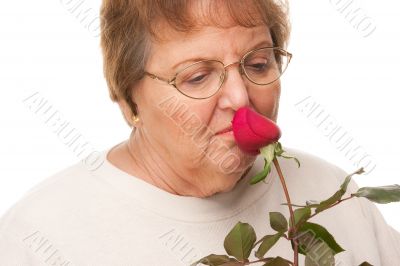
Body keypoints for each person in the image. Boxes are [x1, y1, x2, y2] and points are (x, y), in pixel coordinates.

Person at [0, 0, 399, 265]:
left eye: (258, 64)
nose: (241, 97)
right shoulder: (37, 236)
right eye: (197, 76)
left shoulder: (336, 193)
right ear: (129, 99)